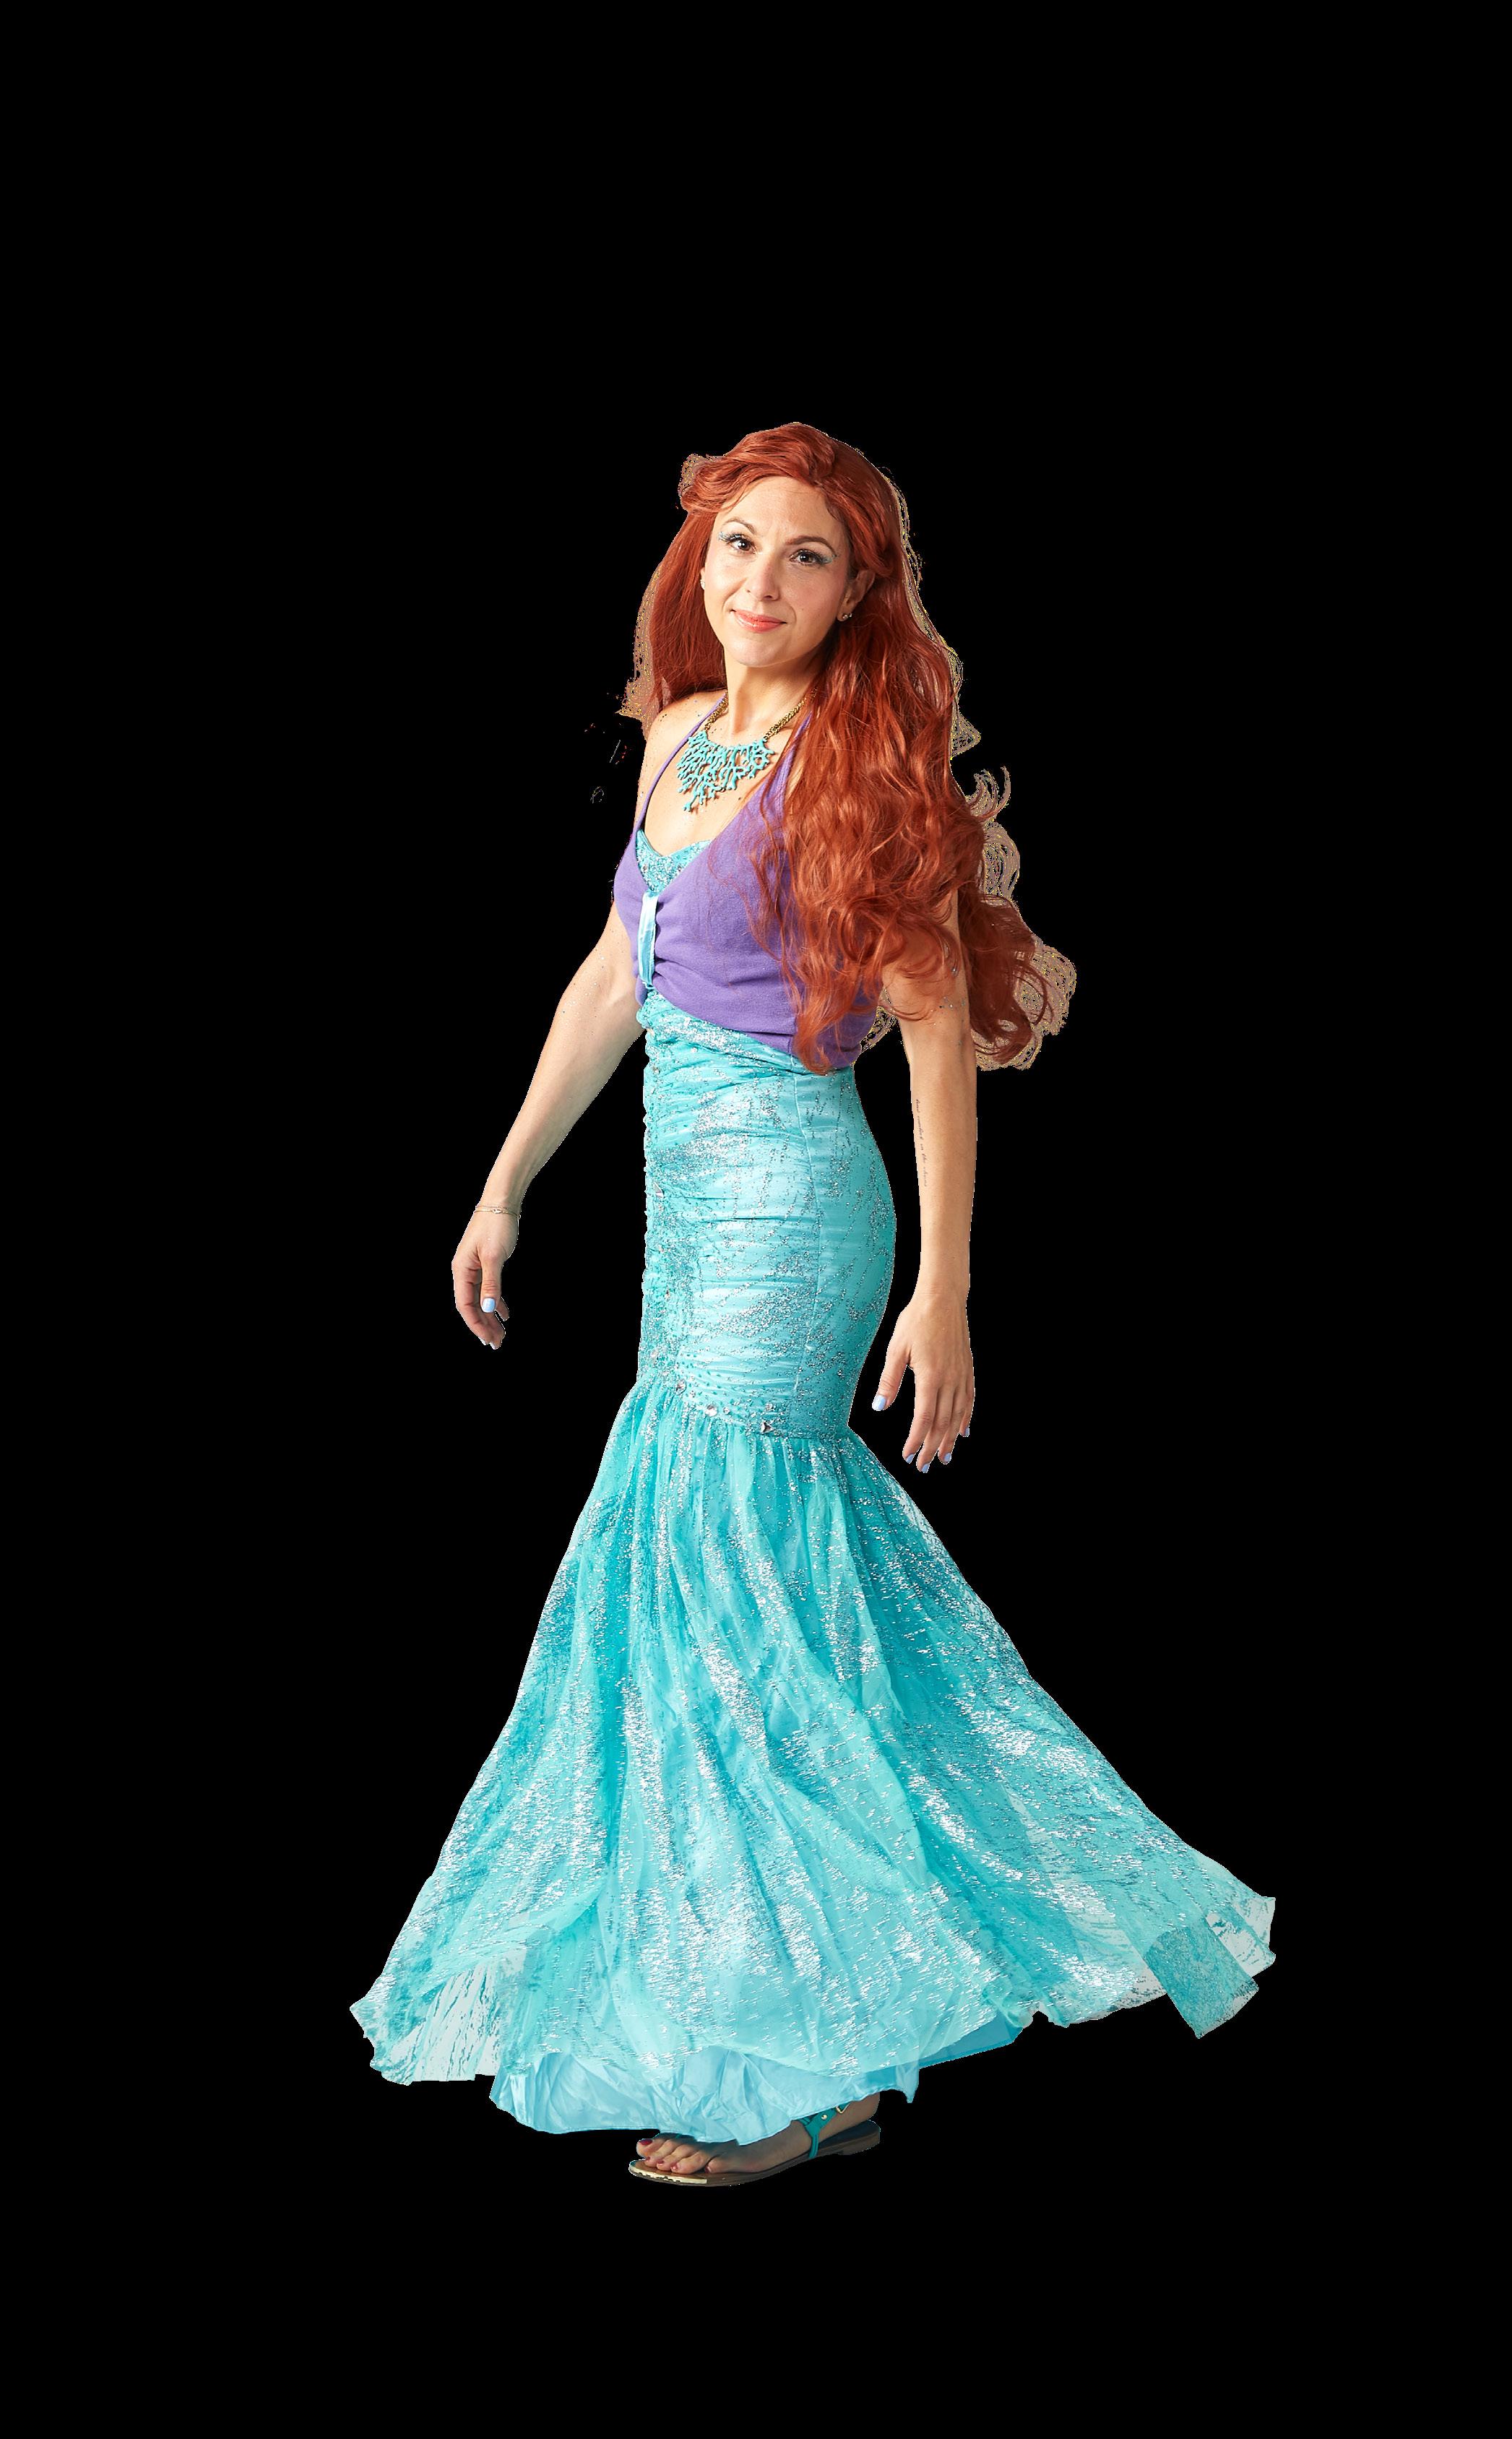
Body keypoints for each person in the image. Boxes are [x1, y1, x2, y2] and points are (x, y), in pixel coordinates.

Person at [350, 425, 1276, 2188]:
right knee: (748, 1588)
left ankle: (797, 2057)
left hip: (794, 1215)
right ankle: (833, 2023)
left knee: (726, 1582)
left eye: (804, 556)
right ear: (696, 559)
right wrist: (505, 1177)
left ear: (860, 595)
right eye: (736, 543)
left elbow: (934, 1040)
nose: (756, 580)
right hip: (680, 1215)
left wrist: (945, 1291)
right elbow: (616, 975)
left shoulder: (867, 772)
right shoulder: (679, 741)